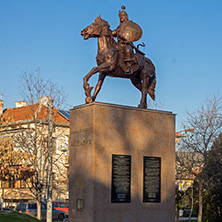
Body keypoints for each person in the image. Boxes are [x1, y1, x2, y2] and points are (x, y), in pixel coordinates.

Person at [112, 6, 135, 74]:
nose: (121, 18)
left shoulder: (130, 24)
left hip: (126, 44)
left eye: (123, 16)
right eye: (120, 16)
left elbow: (133, 33)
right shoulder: (119, 27)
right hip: (119, 44)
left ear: (126, 16)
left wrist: (125, 37)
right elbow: (114, 33)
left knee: (127, 49)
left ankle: (128, 66)